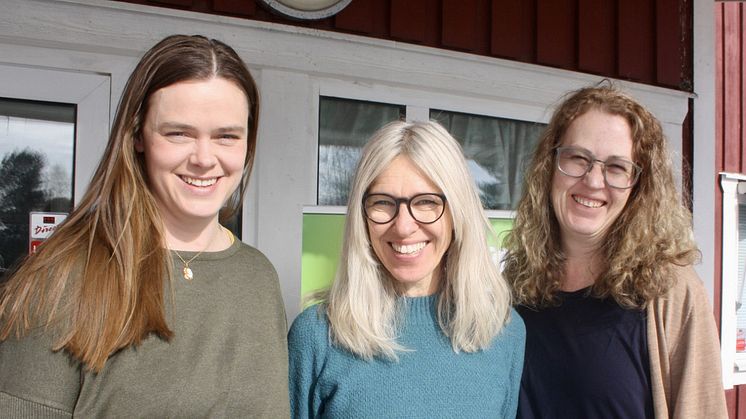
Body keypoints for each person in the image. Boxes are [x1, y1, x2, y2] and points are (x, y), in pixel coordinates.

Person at [0, 35, 290, 417]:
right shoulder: (63, 278)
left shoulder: (258, 277)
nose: (205, 158)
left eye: (226, 136)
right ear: (137, 136)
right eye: (179, 133)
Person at [502, 84, 728, 418]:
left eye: (616, 167)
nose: (593, 181)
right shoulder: (516, 285)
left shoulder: (669, 291)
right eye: (578, 158)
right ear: (550, 166)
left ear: (639, 187)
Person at [288, 120, 525, 418]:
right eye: (383, 202)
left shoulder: (503, 331)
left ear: (458, 212)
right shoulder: (317, 335)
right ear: (362, 217)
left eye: (426, 202)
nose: (403, 226)